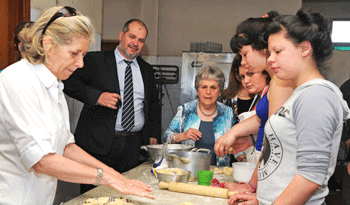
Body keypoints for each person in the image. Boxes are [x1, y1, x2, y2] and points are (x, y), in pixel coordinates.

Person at [0, 6, 155, 205]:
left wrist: (116, 175)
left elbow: (66, 146)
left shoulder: (55, 85)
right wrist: (106, 179)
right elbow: (41, 161)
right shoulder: (19, 80)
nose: (81, 63)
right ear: (48, 45)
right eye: (74, 53)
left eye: (83, 54)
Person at [228, 9, 350, 205]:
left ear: (305, 49)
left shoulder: (316, 96)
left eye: (278, 51)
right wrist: (261, 199)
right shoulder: (299, 94)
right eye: (269, 52)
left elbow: (309, 178)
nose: (270, 59)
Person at [63, 19, 161, 194]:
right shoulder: (95, 60)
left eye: (141, 40)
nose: (135, 43)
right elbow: (68, 82)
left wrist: (153, 133)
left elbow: (153, 105)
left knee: (127, 193)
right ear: (121, 35)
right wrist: (96, 96)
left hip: (133, 146)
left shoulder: (147, 70)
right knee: (95, 195)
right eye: (132, 37)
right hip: (98, 144)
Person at [214, 11, 294, 193]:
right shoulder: (274, 83)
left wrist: (251, 186)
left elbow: (275, 142)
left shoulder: (282, 84)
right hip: (266, 169)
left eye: (245, 54)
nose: (243, 61)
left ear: (262, 48)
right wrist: (235, 134)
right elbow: (261, 118)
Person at [164, 66, 235, 166]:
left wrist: (243, 159)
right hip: (189, 169)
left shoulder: (228, 113)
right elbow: (166, 137)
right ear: (197, 90)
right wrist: (183, 136)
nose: (208, 92)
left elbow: (237, 144)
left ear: (219, 92)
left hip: (220, 173)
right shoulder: (186, 110)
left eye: (213, 87)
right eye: (204, 87)